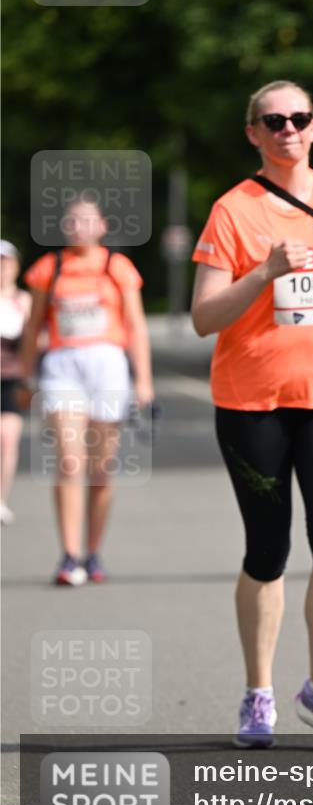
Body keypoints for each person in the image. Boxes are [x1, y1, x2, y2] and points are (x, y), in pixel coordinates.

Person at [191, 79, 313, 750]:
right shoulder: (233, 210)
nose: (287, 129)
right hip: (252, 403)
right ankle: (257, 693)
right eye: (273, 120)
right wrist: (263, 273)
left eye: (298, 118)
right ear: (253, 133)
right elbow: (204, 316)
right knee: (267, 550)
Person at [21, 194, 154, 585]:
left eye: (86, 220)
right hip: (63, 366)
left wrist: (143, 379)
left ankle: (93, 552)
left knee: (101, 469)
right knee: (68, 461)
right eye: (72, 220)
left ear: (102, 227)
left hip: (108, 365)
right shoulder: (49, 268)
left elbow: (136, 325)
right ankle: (69, 555)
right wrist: (26, 375)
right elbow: (33, 326)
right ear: (64, 228)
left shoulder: (118, 267)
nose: (78, 226)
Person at [0, 240, 32, 524]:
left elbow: (36, 342)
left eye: (6, 262)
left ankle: (1, 499)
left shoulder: (24, 301)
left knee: (7, 440)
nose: (2, 268)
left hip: (12, 379)